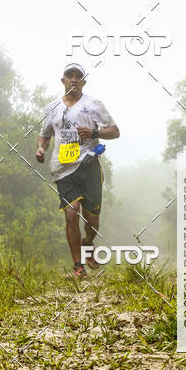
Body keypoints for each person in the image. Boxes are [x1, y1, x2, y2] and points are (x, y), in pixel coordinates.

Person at [36, 63, 120, 278]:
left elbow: (114, 131)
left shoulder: (93, 104)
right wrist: (41, 149)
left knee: (92, 221)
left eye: (78, 76)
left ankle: (88, 243)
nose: (73, 79)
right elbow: (45, 133)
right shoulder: (52, 108)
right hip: (63, 168)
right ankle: (78, 266)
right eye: (69, 75)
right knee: (71, 214)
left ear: (83, 82)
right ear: (62, 80)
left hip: (89, 165)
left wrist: (93, 132)